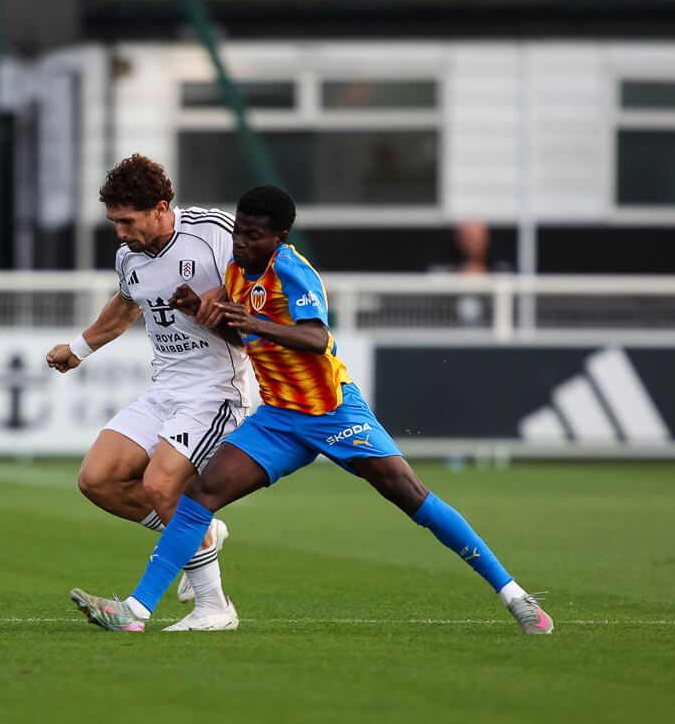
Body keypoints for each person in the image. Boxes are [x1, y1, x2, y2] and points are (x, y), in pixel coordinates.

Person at [69, 185, 554, 635]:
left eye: (253, 235)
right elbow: (242, 335)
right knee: (198, 497)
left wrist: (252, 319)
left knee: (414, 498)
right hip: (278, 420)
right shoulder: (236, 272)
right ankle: (135, 612)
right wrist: (203, 310)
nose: (241, 243)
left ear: (279, 237)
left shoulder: (292, 270)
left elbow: (317, 337)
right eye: (238, 232)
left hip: (333, 413)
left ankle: (515, 595)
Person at [47, 154, 249, 631]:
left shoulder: (214, 232)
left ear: (160, 209)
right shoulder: (129, 257)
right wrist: (78, 350)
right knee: (98, 479)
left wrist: (220, 299)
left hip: (217, 392)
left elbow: (258, 282)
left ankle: (214, 608)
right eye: (114, 222)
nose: (119, 233)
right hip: (166, 391)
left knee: (162, 486)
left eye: (126, 221)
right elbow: (125, 307)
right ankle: (201, 532)